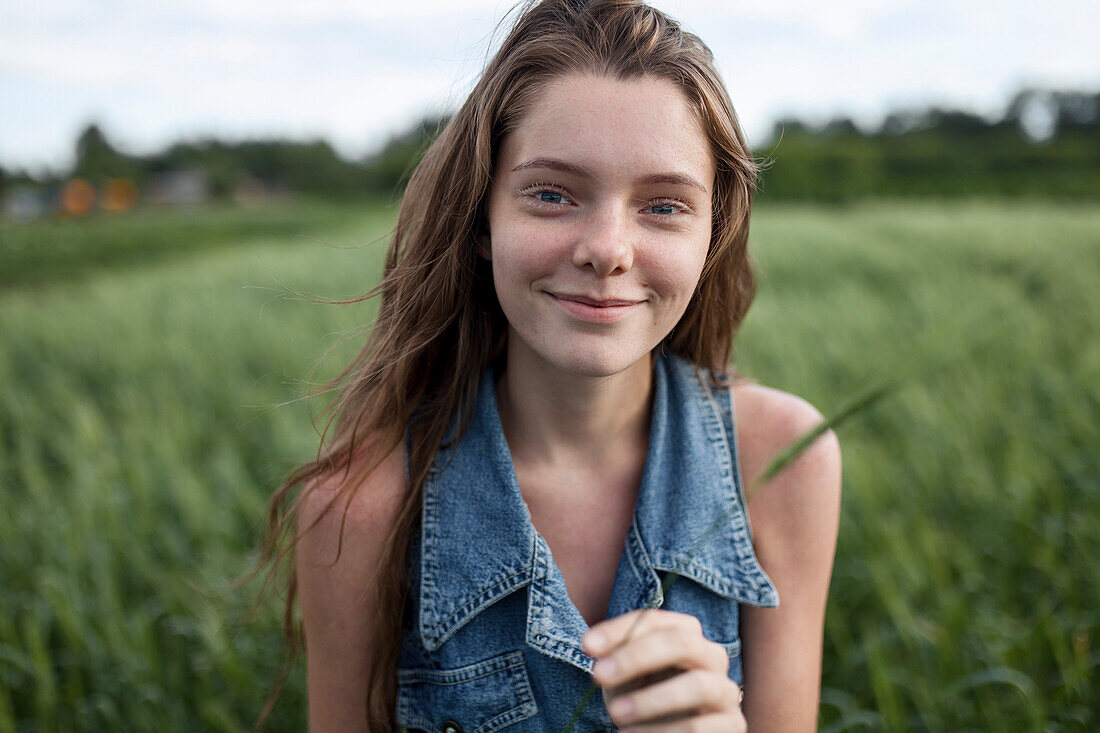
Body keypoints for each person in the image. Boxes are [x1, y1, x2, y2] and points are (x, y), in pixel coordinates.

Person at [262, 0, 842, 729]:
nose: (607, 247)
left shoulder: (784, 462)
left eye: (663, 206)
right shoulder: (359, 508)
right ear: (482, 219)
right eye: (550, 193)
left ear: (712, 234)